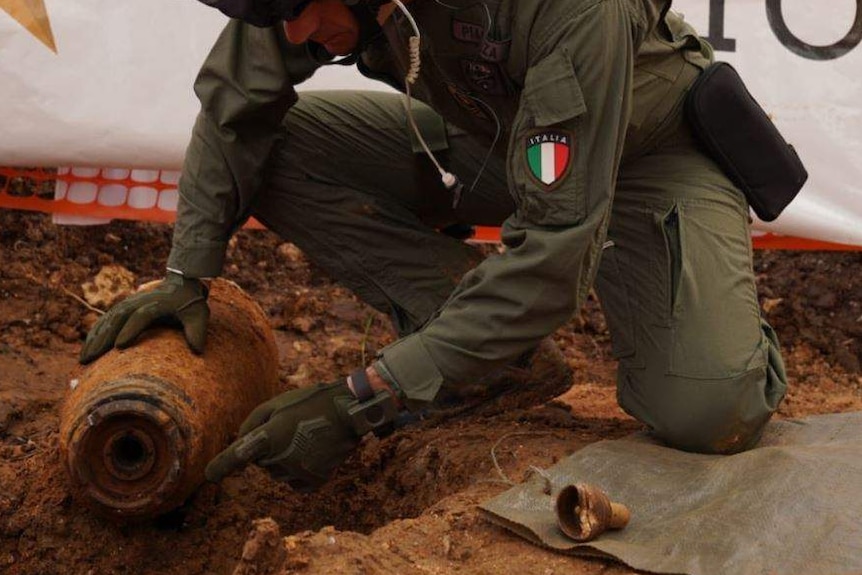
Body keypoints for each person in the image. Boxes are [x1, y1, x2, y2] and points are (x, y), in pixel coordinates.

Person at [80, 0, 788, 489]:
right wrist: (186, 271)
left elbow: (554, 253)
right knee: (276, 151)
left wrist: (366, 396)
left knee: (710, 410)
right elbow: (238, 103)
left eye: (301, 7)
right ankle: (496, 361)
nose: (293, 31)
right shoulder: (308, 9)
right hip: (499, 140)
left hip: (647, 157)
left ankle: (711, 312)